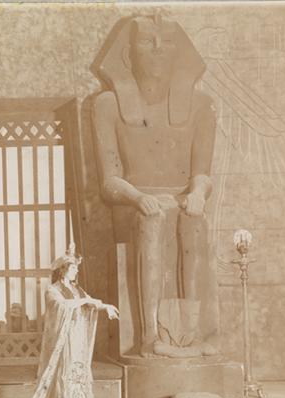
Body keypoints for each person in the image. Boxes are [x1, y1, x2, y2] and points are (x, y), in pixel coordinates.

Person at [92, 13, 220, 358]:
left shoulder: (201, 105)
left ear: (180, 52)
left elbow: (203, 174)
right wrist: (138, 197)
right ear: (128, 53)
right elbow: (109, 183)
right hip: (133, 205)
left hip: (181, 201)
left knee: (193, 220)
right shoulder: (108, 105)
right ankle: (150, 335)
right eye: (147, 41)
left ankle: (190, 333)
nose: (158, 49)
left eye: (167, 42)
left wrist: (197, 193)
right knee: (152, 219)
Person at [17, 243, 119, 398]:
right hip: (64, 337)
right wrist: (84, 302)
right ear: (62, 271)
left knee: (79, 370)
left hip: (79, 336)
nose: (76, 271)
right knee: (66, 370)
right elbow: (61, 306)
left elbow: (91, 301)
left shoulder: (77, 290)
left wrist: (106, 306)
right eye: (73, 268)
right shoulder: (53, 290)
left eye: (76, 268)